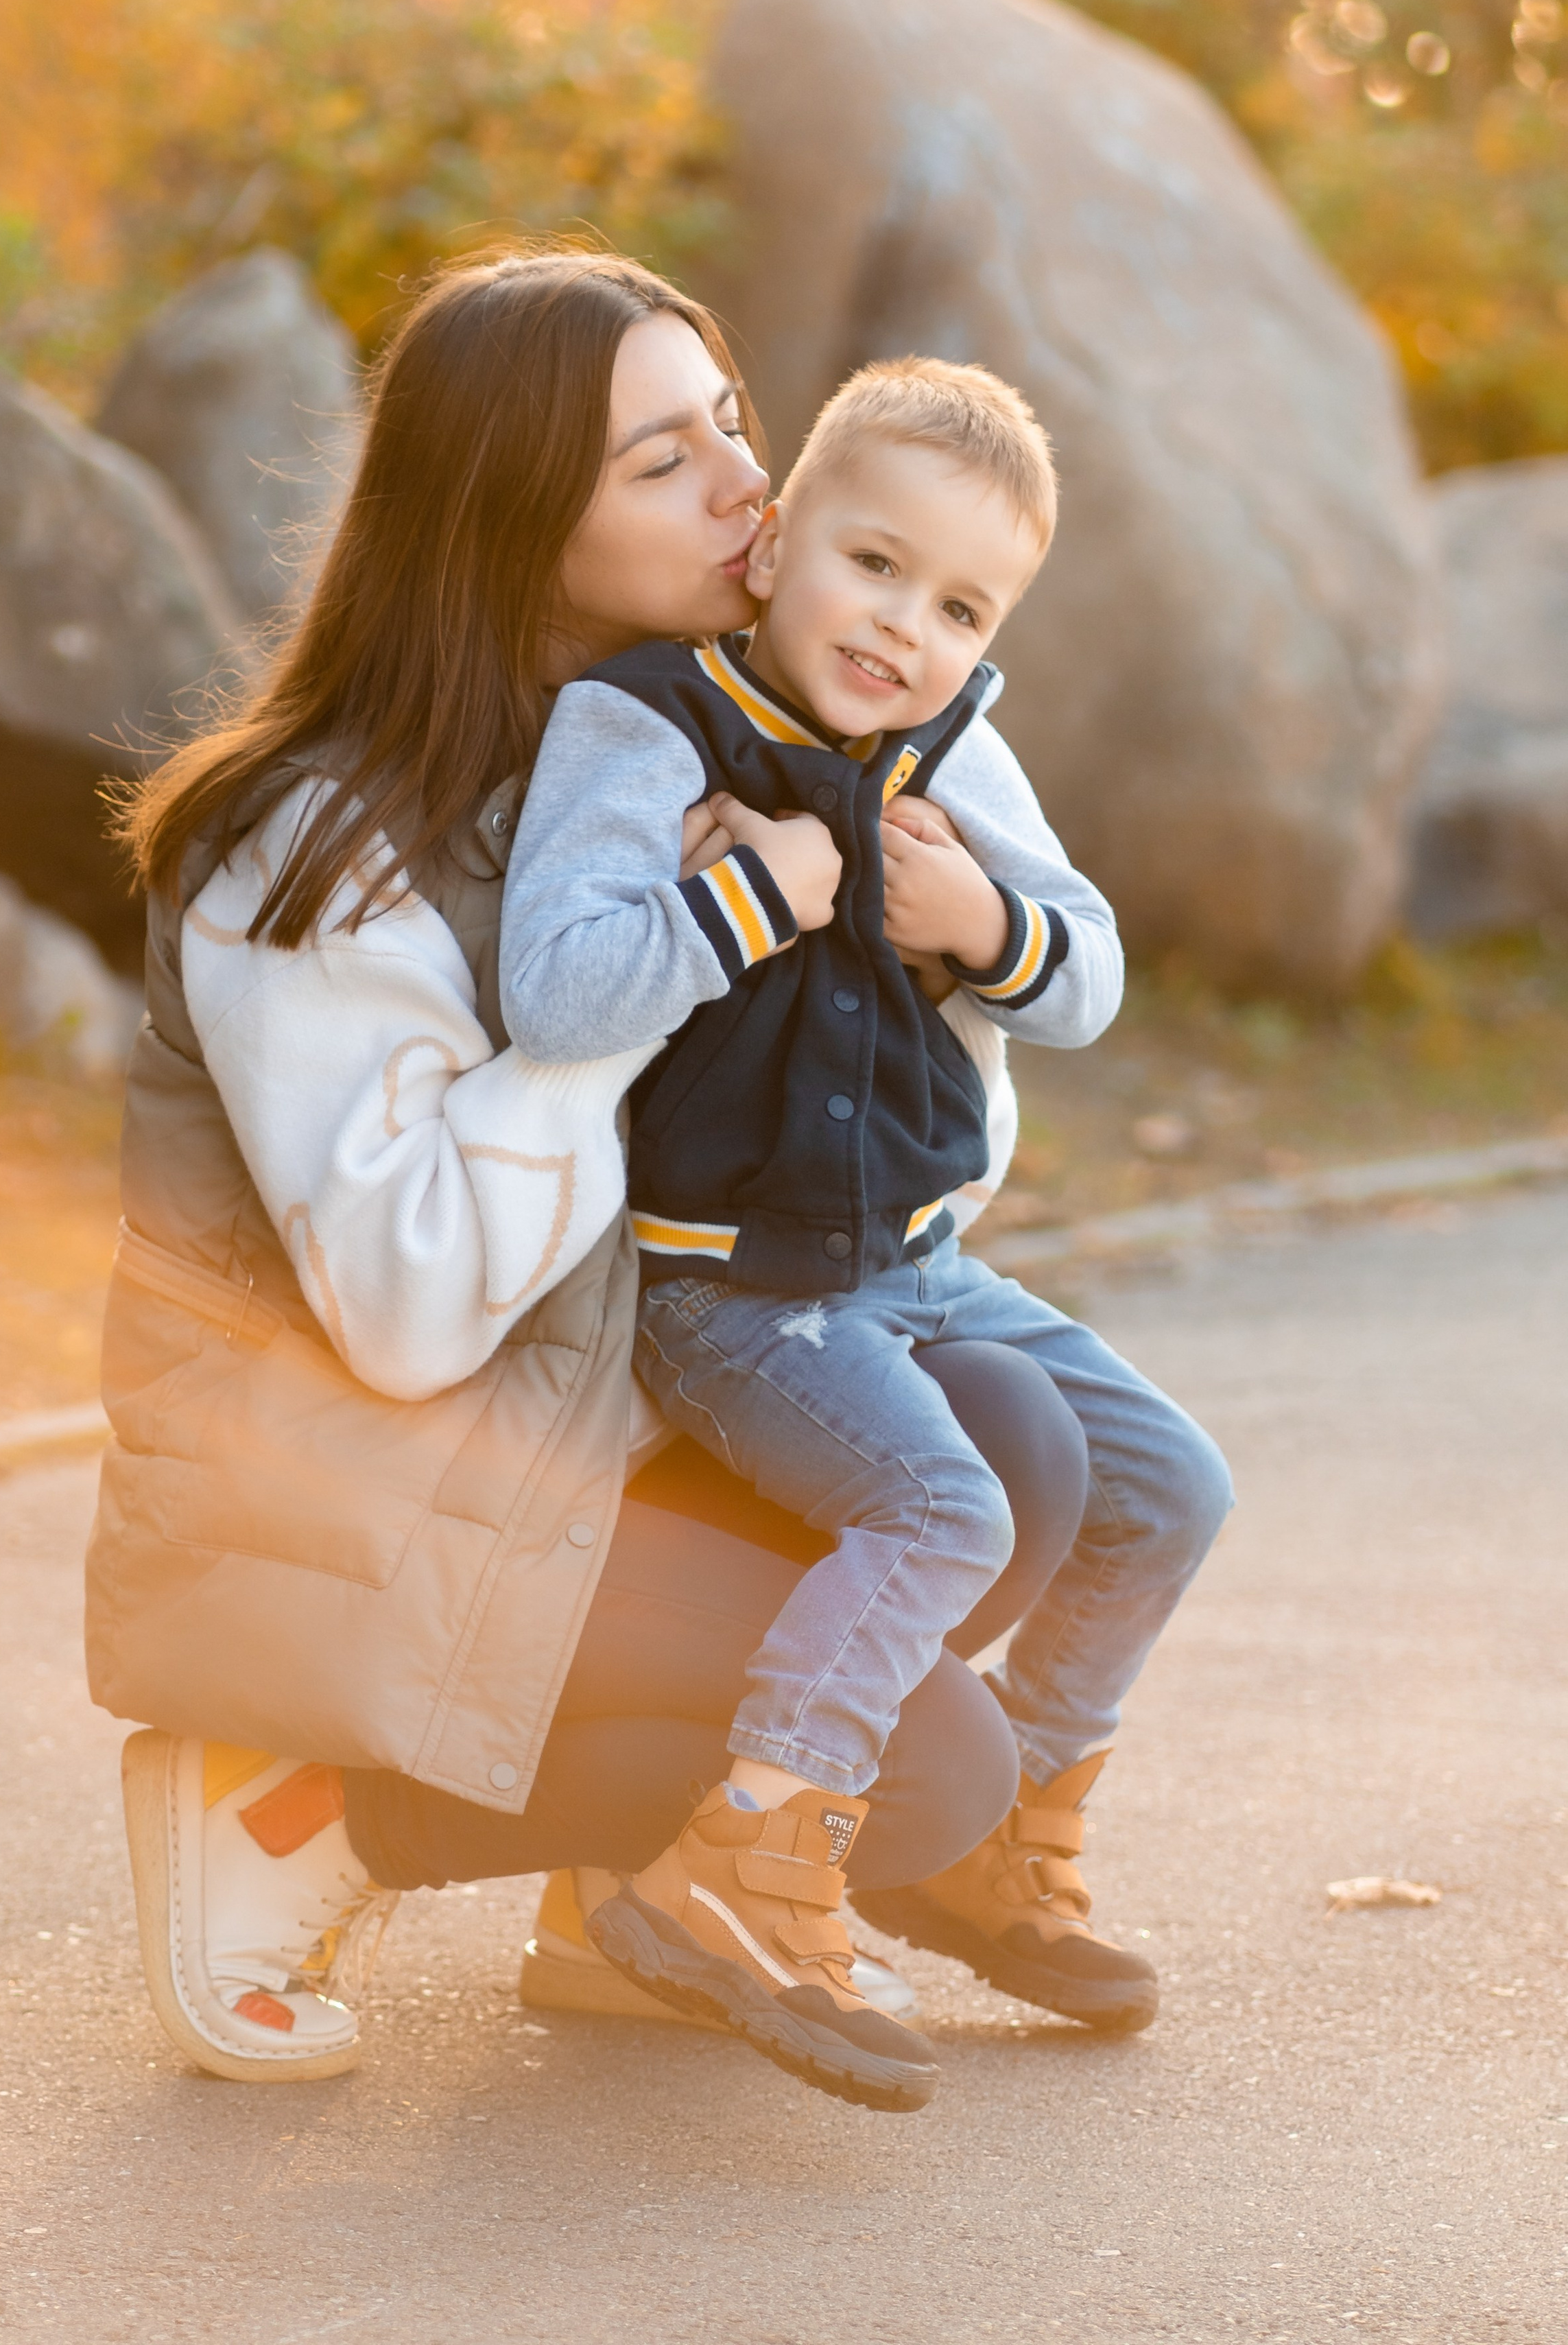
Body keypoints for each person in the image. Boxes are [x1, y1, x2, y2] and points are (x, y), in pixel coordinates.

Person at [91, 247, 1100, 2108]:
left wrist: (949, 934)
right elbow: (407, 1316)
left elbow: (938, 1153)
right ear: (512, 520)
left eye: (730, 419)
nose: (747, 484)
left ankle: (613, 1899)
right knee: (939, 1773)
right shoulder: (308, 843)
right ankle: (304, 1806)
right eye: (664, 461)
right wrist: (660, 960)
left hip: (566, 1443)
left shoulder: (686, 753)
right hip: (346, 1496)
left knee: (1022, 1443)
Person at [500, 354, 1233, 2058]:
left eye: (959, 605)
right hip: (727, 1292)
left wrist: (986, 923)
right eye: (874, 564)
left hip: (917, 1269)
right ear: (771, 544)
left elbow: (1092, 973)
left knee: (1169, 1488)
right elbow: (554, 984)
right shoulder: (640, 723)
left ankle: (997, 1840)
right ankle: (745, 1855)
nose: (904, 627)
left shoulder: (955, 752)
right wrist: (762, 893)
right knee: (944, 1514)